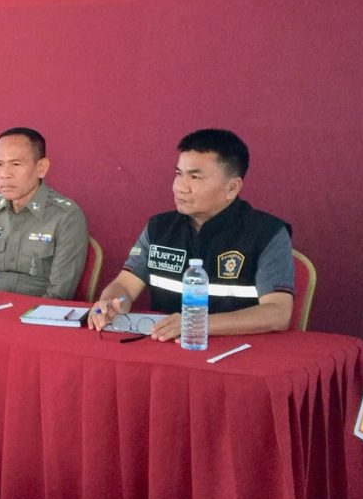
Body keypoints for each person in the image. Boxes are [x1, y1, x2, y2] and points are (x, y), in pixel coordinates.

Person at [87, 128, 295, 341]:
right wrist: (111, 302)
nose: (179, 187)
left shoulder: (266, 233)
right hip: (164, 345)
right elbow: (124, 286)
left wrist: (196, 323)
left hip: (237, 350)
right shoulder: (159, 228)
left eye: (195, 177)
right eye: (179, 174)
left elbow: (278, 313)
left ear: (232, 188)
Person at [0, 127, 88, 298]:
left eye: (15, 164)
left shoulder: (65, 216)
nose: (5, 174)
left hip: (38, 310)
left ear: (41, 168)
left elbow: (59, 295)